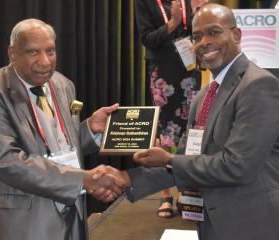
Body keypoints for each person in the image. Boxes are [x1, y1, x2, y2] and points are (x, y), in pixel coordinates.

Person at [94, 3, 279, 240]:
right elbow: (186, 159)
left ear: (236, 35)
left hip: (251, 222)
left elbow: (237, 166)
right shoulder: (203, 96)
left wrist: (170, 159)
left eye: (214, 32)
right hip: (213, 222)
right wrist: (126, 178)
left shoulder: (258, 85)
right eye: (197, 36)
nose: (204, 42)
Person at [0, 19, 126, 240]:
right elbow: (7, 161)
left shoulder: (63, 84)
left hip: (71, 214)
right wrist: (84, 180)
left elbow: (59, 146)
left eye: (50, 50)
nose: (45, 61)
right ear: (12, 53)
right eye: (33, 52)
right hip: (22, 224)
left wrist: (90, 130)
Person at [134, 0, 206, 218]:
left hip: (189, 68)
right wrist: (174, 22)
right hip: (163, 71)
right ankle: (165, 194)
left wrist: (198, 13)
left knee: (190, 129)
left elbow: (198, 34)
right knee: (167, 131)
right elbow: (147, 39)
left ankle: (187, 192)